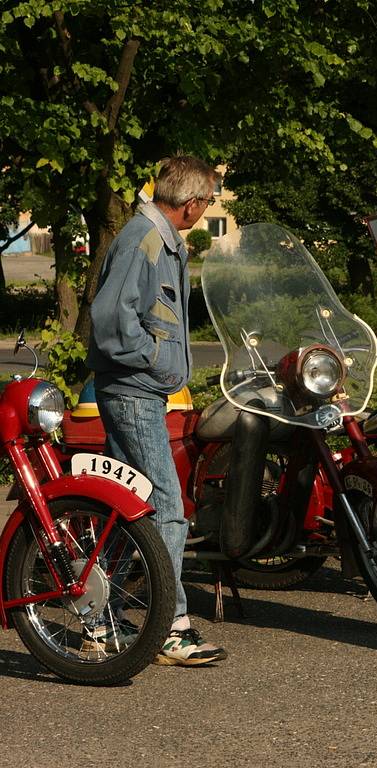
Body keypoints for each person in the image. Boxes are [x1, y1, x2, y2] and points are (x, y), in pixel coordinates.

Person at [86, 155, 227, 666]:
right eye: (208, 201)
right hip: (131, 391)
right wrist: (151, 358)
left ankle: (98, 619)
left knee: (127, 509)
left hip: (140, 390)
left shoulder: (162, 239)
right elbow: (108, 321)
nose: (207, 207)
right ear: (191, 205)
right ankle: (169, 625)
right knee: (167, 507)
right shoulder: (143, 239)